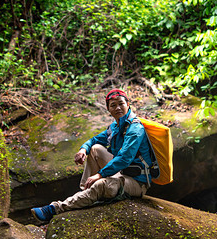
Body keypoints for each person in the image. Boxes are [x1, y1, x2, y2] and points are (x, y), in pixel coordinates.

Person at [31, 88, 156, 222]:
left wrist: (100, 174)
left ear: (128, 104)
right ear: (108, 109)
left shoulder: (135, 129)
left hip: (137, 182)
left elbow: (124, 158)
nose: (118, 108)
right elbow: (94, 140)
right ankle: (85, 193)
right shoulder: (115, 127)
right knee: (95, 148)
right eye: (113, 105)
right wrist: (83, 150)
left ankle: (56, 208)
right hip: (121, 172)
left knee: (101, 184)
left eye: (121, 103)